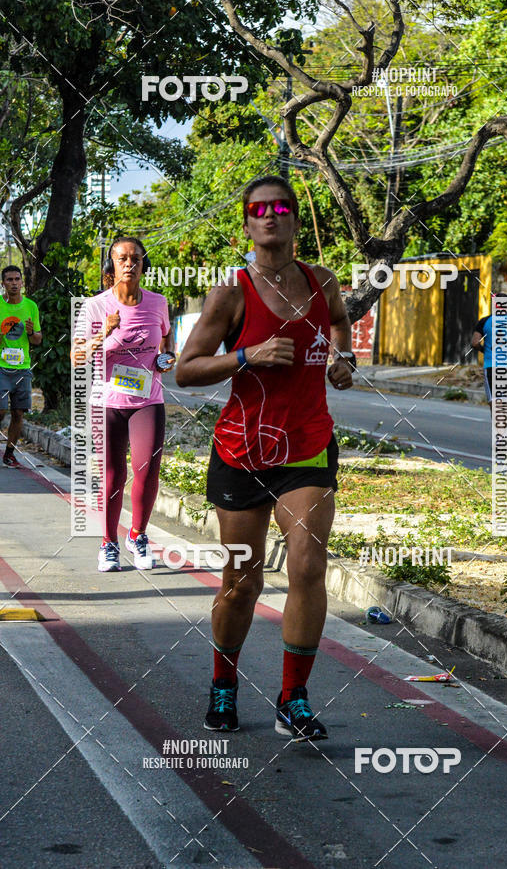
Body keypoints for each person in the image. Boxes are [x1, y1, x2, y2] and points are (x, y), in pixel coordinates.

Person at [176, 175, 355, 742]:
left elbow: (340, 325)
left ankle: (293, 698)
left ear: (295, 219)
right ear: (248, 224)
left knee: (306, 567)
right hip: (242, 450)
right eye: (258, 210)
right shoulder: (231, 292)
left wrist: (341, 360)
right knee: (241, 580)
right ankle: (223, 686)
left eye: (280, 207)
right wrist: (246, 356)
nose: (269, 216)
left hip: (307, 446)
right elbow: (185, 369)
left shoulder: (322, 281)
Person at [72, 237, 175, 571]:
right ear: (111, 266)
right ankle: (108, 543)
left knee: (147, 472)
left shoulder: (159, 303)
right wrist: (104, 334)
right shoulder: (94, 306)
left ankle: (137, 535)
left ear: (144, 266)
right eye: (121, 259)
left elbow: (166, 342)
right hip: (107, 403)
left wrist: (166, 359)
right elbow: (76, 357)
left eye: (135, 259)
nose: (129, 264)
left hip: (147, 400)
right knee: (113, 476)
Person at [0, 265, 42, 467]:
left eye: (17, 279)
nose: (14, 283)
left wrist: (32, 332)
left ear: (22, 283)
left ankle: (9, 453)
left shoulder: (31, 306)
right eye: (9, 280)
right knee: (0, 412)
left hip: (23, 368)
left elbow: (37, 341)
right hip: (0, 367)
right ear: (3, 283)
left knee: (18, 412)